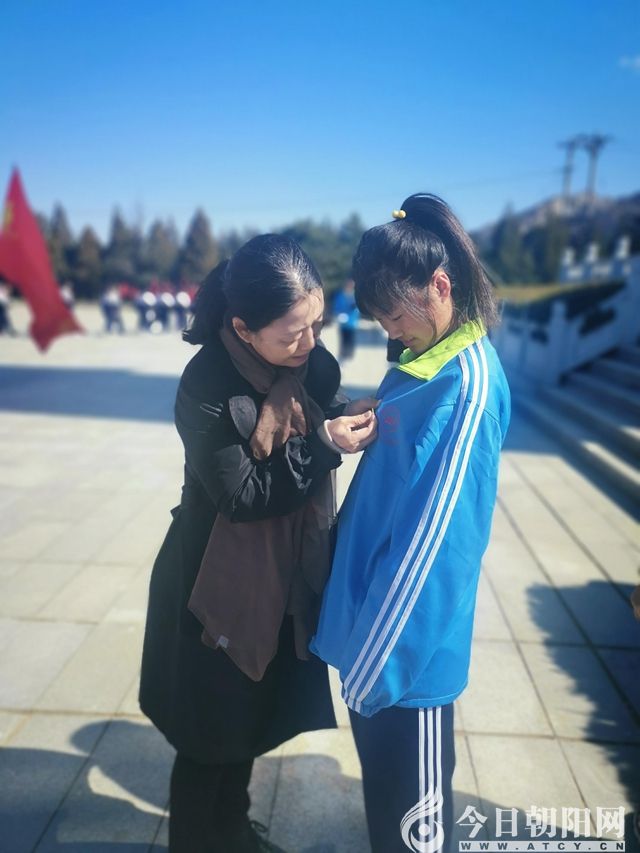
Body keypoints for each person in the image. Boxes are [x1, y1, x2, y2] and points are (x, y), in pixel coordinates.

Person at [139, 234, 378, 853]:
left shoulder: (311, 366)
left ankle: (235, 831)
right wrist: (323, 444)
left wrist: (349, 415)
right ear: (243, 330)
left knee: (246, 719)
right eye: (292, 334)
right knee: (206, 737)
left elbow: (321, 409)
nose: (310, 343)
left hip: (280, 581)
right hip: (213, 583)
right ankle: (198, 842)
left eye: (317, 324)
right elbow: (241, 495)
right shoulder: (206, 383)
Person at [311, 194, 511, 853]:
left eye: (396, 316)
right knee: (387, 804)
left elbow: (438, 551)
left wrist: (376, 667)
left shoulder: (466, 388)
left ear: (441, 287)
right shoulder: (425, 362)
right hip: (373, 633)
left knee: (415, 830)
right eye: (381, 320)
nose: (391, 333)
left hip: (403, 659)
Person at [332, 279, 360, 362]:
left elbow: (357, 309)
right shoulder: (340, 295)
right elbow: (336, 307)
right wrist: (339, 314)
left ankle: (349, 355)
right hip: (343, 323)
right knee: (343, 339)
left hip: (352, 323)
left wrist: (354, 307)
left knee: (351, 340)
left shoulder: (355, 297)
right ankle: (343, 355)